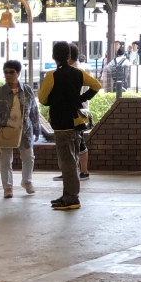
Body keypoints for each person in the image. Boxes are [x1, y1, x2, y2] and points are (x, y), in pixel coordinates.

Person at [38, 41, 100, 211]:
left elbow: (42, 99)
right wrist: (81, 98)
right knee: (72, 159)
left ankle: (71, 197)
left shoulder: (52, 75)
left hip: (61, 123)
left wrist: (54, 101)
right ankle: (68, 194)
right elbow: (97, 85)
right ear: (68, 56)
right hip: (76, 122)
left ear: (53, 57)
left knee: (67, 161)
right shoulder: (78, 73)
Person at [0, 59, 40, 198]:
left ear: (18, 73)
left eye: (11, 72)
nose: (8, 75)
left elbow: (34, 111)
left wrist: (36, 129)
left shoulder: (27, 91)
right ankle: (7, 187)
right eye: (6, 72)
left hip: (25, 130)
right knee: (5, 159)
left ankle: (27, 181)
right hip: (5, 130)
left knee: (29, 157)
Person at [69, 43, 97, 180]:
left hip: (78, 111)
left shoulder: (76, 72)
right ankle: (74, 170)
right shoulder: (81, 69)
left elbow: (96, 85)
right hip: (81, 109)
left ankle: (84, 171)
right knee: (75, 141)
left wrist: (80, 98)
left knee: (79, 141)